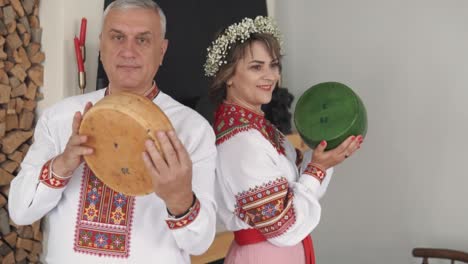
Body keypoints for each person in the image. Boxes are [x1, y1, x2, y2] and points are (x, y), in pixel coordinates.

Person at [9, 1, 217, 263]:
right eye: (117, 37)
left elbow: (200, 244)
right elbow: (19, 212)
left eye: (142, 40)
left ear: (161, 51)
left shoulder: (192, 129)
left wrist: (179, 198)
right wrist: (63, 164)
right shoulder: (61, 117)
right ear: (101, 46)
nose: (128, 51)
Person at [204, 16, 363, 263]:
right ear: (229, 76)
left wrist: (325, 153)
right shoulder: (241, 142)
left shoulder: (261, 129)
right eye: (256, 67)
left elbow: (299, 185)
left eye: (274, 65)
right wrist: (318, 168)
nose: (270, 76)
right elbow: (283, 228)